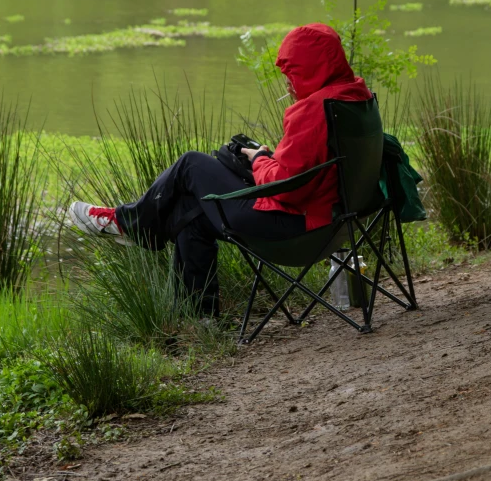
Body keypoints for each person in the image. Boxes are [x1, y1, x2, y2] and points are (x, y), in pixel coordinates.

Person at [69, 23, 372, 318]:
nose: (288, 83)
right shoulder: (355, 97)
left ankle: (129, 223)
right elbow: (310, 169)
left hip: (296, 229)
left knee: (190, 163)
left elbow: (286, 184)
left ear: (311, 68)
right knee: (191, 210)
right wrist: (268, 159)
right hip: (335, 222)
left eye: (291, 73)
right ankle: (199, 317)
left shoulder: (313, 110)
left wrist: (259, 159)